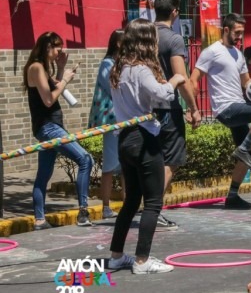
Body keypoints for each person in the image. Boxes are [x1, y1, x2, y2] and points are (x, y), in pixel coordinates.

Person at [108, 19, 187, 274]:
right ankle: (142, 261)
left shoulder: (118, 69)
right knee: (153, 202)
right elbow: (162, 95)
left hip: (125, 139)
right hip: (143, 138)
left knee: (132, 201)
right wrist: (175, 80)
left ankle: (117, 256)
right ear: (146, 40)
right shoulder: (140, 69)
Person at [190, 13, 251, 209]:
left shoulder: (238, 54)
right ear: (226, 30)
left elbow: (248, 84)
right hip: (226, 108)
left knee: (246, 154)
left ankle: (232, 196)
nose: (240, 36)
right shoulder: (211, 51)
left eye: (243, 32)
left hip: (238, 104)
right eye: (237, 32)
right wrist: (194, 109)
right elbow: (193, 79)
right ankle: (242, 150)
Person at [24, 32, 93, 230]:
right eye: (56, 48)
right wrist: (65, 81)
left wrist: (62, 69)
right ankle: (83, 211)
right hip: (49, 127)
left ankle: (39, 219)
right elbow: (48, 100)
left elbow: (54, 88)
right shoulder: (36, 67)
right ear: (46, 47)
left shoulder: (42, 69)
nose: (59, 52)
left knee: (44, 174)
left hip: (49, 127)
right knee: (85, 159)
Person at [153, 0, 201, 230]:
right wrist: (194, 108)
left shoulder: (142, 35)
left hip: (142, 107)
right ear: (174, 12)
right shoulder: (173, 39)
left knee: (148, 159)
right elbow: (180, 77)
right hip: (166, 108)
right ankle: (153, 210)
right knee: (171, 161)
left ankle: (140, 207)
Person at [87, 29, 126, 220]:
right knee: (110, 165)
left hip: (123, 120)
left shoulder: (121, 64)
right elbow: (115, 88)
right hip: (112, 122)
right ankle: (105, 206)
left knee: (126, 164)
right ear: (118, 44)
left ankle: (129, 203)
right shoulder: (107, 64)